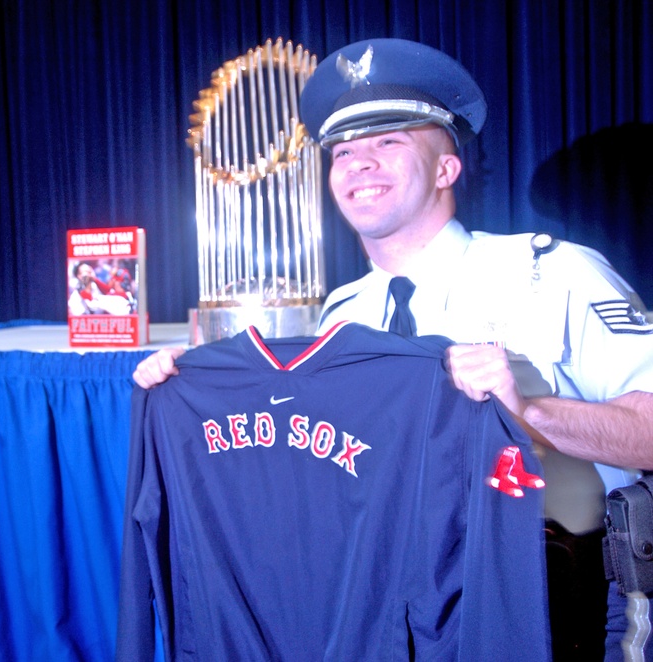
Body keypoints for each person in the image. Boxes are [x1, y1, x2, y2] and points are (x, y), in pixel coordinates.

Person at [133, 38, 653, 659]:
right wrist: (181, 388)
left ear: (445, 169)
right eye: (344, 152)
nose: (360, 164)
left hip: (553, 589)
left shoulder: (556, 273)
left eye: (389, 144)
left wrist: (530, 413)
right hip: (395, 611)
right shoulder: (341, 313)